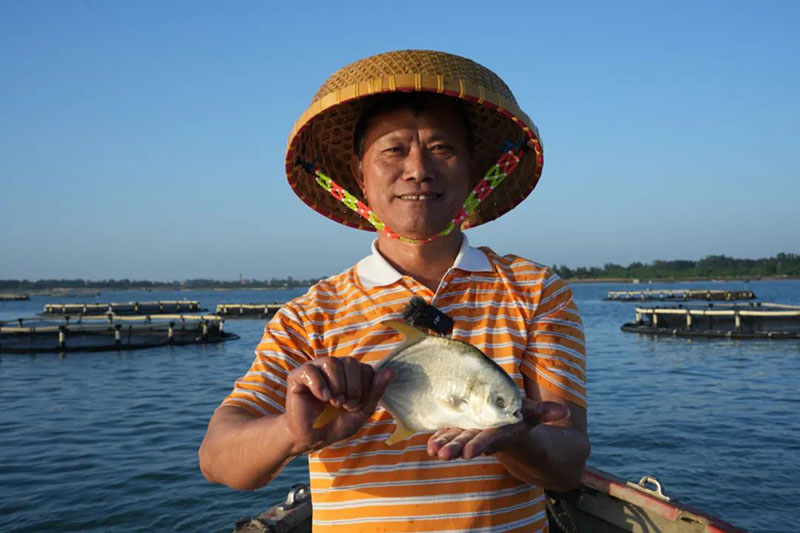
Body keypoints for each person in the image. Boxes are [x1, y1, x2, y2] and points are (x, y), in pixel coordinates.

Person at [199, 49, 589, 532]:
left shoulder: (536, 291)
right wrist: (292, 432)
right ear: (360, 175)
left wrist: (515, 437)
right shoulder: (310, 315)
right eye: (393, 149)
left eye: (442, 148)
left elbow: (569, 461)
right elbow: (218, 458)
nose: (418, 168)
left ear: (470, 171)